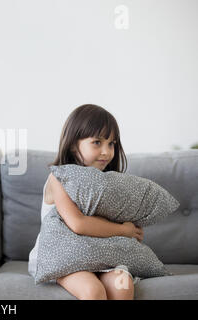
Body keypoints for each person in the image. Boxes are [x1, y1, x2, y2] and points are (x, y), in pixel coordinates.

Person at [28, 104, 143, 300]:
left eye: (111, 143)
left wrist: (132, 229)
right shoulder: (60, 178)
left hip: (98, 255)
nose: (106, 152)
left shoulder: (108, 181)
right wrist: (124, 230)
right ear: (73, 144)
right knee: (93, 290)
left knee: (122, 285)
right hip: (61, 257)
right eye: (97, 142)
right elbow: (78, 223)